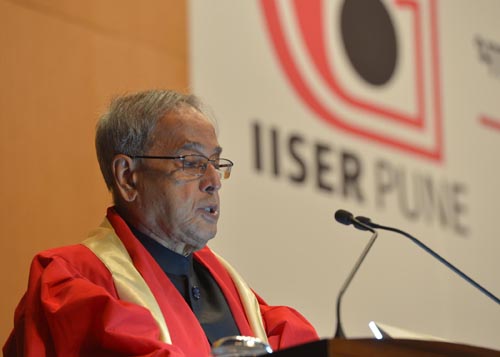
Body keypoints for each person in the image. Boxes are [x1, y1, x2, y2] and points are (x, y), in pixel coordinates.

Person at [4, 90, 318, 356]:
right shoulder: (73, 281)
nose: (213, 181)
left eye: (215, 163)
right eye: (192, 163)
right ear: (128, 177)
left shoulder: (231, 288)